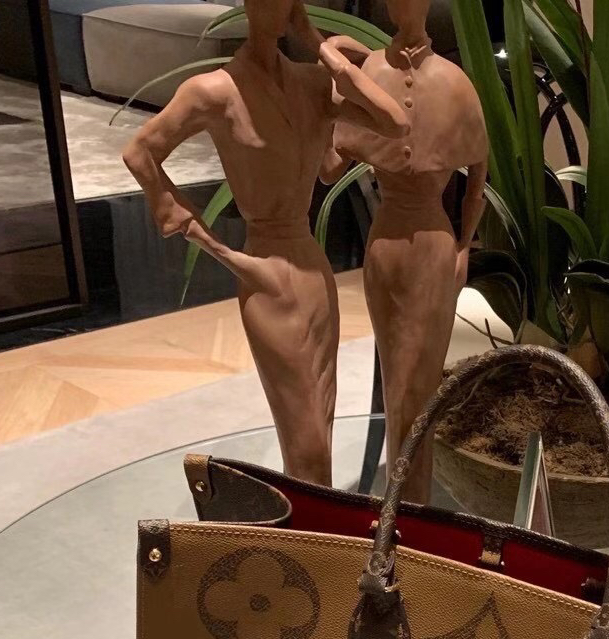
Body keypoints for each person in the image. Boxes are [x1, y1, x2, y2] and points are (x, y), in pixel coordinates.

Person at [122, 0, 409, 483]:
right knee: (305, 441)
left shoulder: (312, 82)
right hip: (264, 269)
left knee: (323, 425)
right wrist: (181, 216)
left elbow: (395, 123)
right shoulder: (214, 91)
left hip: (313, 268)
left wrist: (318, 44)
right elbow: (140, 152)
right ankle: (307, 525)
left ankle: (313, 526)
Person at [322, 0, 487, 500]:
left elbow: (477, 177)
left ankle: (410, 505)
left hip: (436, 248)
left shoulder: (455, 82)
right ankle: (402, 506)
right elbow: (330, 169)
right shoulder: (370, 73)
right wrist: (333, 84)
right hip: (386, 248)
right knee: (397, 380)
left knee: (420, 385)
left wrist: (465, 248)